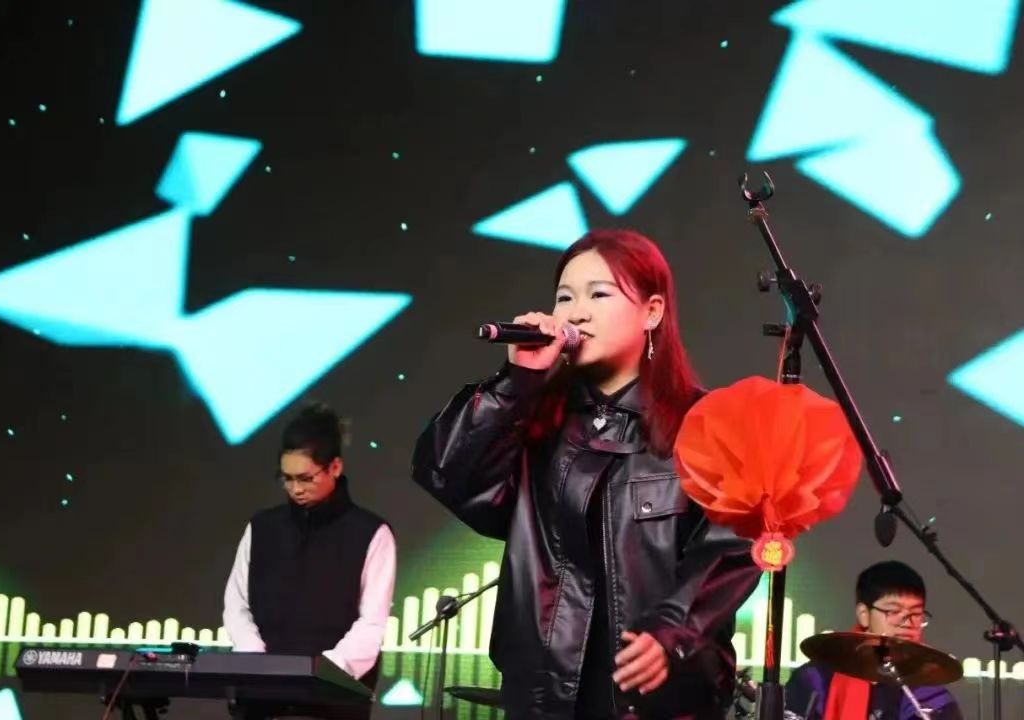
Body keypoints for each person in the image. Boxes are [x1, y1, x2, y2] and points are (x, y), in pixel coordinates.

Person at [412, 229, 762, 719]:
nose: (576, 313)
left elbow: (733, 545)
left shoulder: (706, 424)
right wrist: (515, 384)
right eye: (564, 298)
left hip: (661, 700)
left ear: (652, 311)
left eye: (599, 295)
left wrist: (671, 629)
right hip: (545, 698)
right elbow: (443, 471)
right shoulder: (534, 421)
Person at [223, 403, 396, 691]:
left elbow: (371, 623)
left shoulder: (371, 533)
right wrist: (255, 661)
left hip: (334, 694)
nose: (296, 489)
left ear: (335, 467)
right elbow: (236, 604)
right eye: (287, 479)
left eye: (306, 478)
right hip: (260, 690)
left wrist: (324, 672)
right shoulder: (262, 527)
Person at [785, 560, 963, 719]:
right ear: (864, 614)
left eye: (916, 613)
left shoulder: (932, 697)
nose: (907, 622)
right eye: (893, 611)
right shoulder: (815, 679)